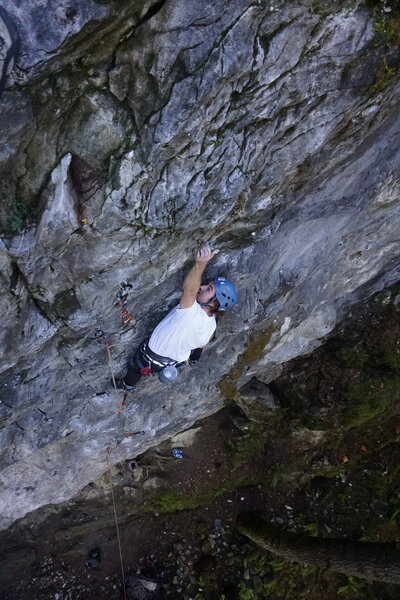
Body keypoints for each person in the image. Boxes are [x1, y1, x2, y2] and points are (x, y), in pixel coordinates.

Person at [115, 245, 238, 390]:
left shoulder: (191, 312)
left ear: (214, 303)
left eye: (209, 289)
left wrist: (200, 264)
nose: (203, 287)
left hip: (152, 357)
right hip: (174, 362)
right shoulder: (211, 324)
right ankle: (128, 384)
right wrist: (194, 358)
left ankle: (126, 385)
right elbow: (201, 345)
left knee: (135, 367)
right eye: (207, 285)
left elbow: (189, 289)